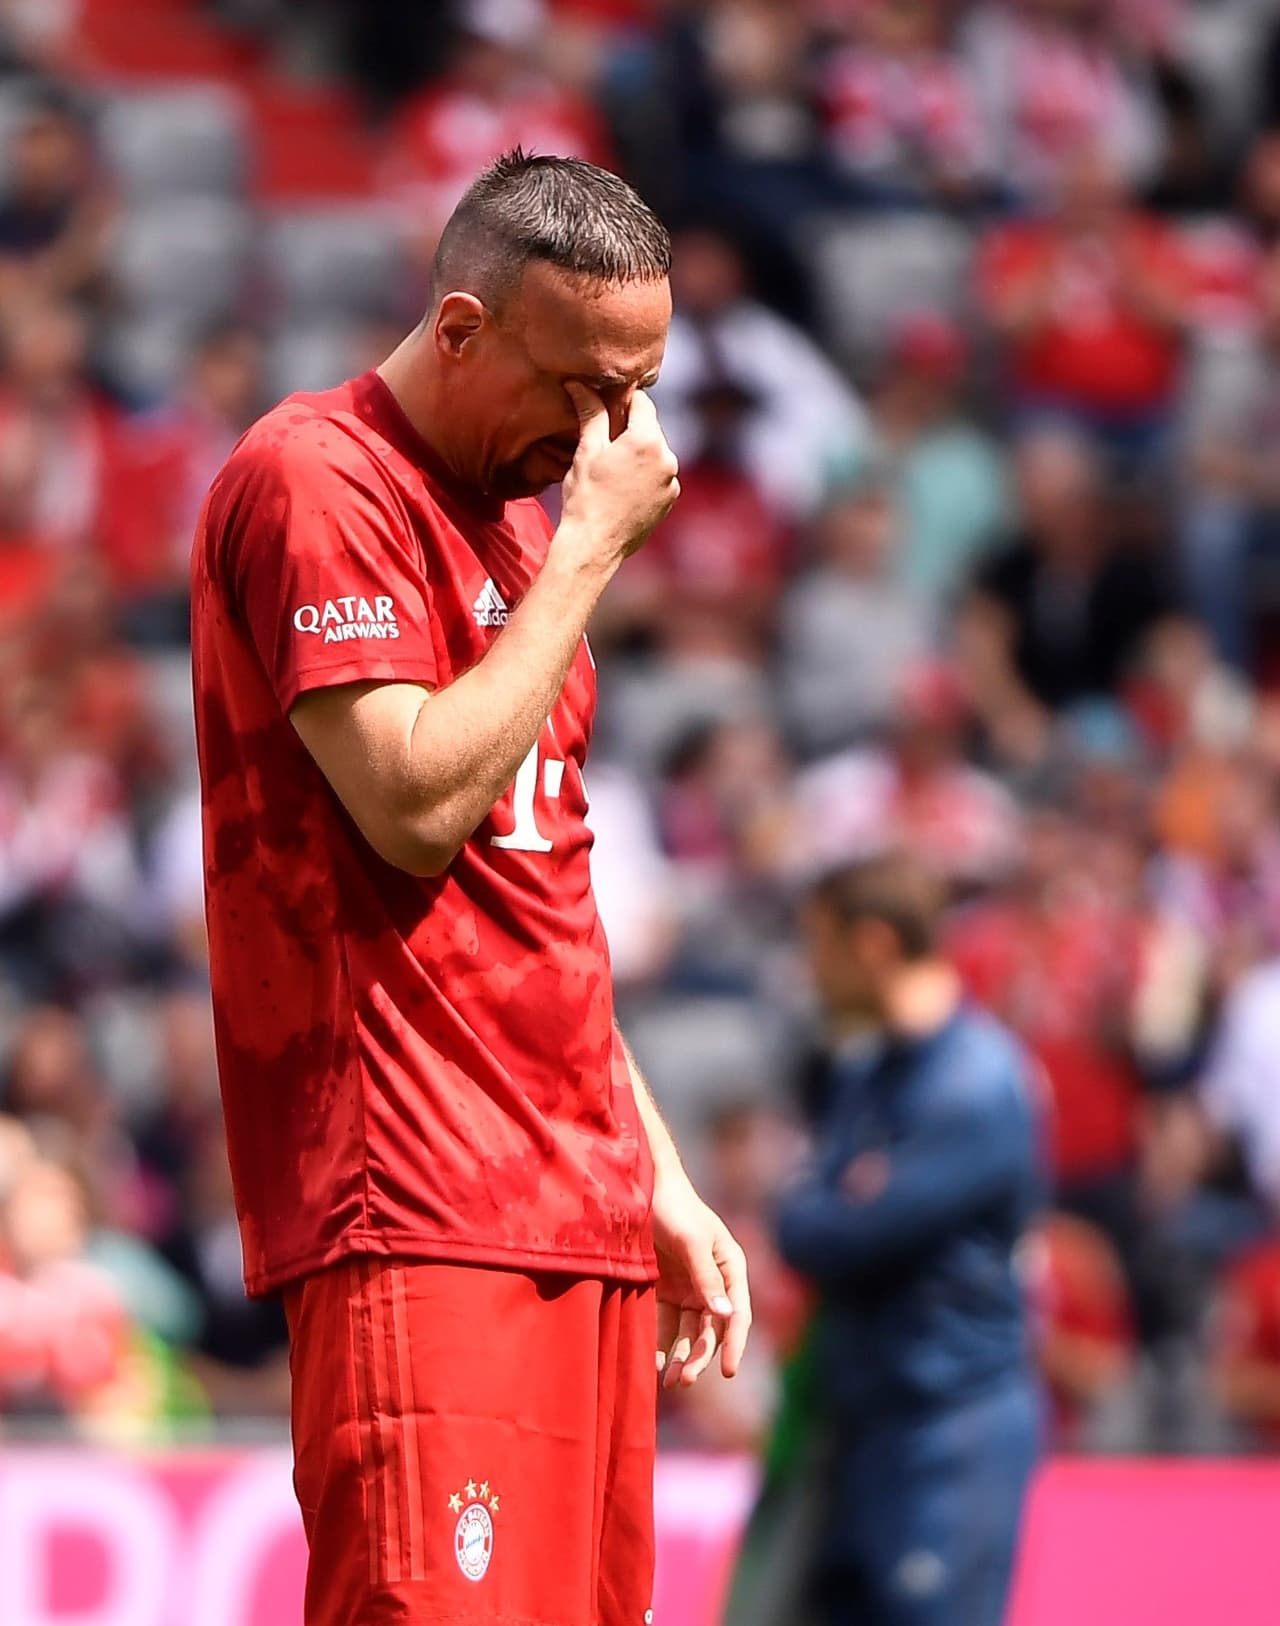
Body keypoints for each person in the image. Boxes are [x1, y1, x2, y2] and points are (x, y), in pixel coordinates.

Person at [190, 149, 751, 1626]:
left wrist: (655, 1167)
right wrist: (588, 557)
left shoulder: (521, 522)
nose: (611, 437)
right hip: (417, 1196)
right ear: (459, 329)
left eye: (639, 391)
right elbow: (413, 806)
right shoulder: (315, 477)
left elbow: (538, 888)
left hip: (576, 1204)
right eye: (584, 388)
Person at [775, 852, 1042, 1626]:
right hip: (865, 1428)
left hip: (948, 1433)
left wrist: (830, 1208)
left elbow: (839, 1235)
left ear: (874, 945)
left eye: (821, 946)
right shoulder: (866, 1074)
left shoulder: (975, 1085)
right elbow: (803, 1218)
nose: (811, 971)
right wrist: (828, 1208)